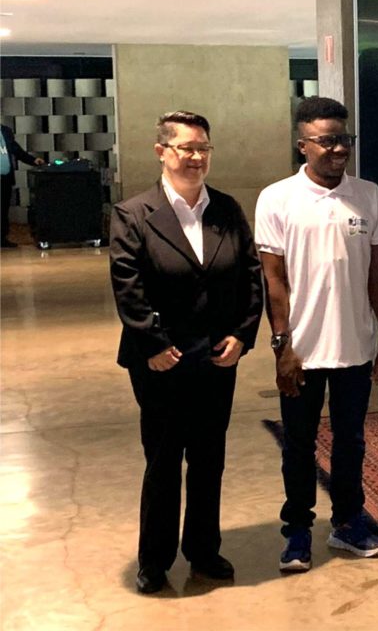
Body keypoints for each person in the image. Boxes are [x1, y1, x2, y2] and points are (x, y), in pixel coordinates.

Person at [109, 111, 263, 594]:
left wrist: (242, 335)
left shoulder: (227, 209)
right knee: (162, 459)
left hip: (217, 355)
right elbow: (127, 286)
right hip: (160, 360)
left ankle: (203, 548)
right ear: (162, 152)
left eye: (204, 149)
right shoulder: (133, 214)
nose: (196, 158)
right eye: (186, 148)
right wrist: (152, 344)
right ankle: (154, 559)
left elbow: (251, 275)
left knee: (208, 456)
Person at [255, 96, 378, 572]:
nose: (339, 149)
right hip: (302, 350)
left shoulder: (368, 195)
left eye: (344, 139)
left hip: (355, 344)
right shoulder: (277, 199)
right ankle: (297, 532)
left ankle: (348, 522)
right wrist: (283, 346)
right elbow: (274, 281)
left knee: (351, 440)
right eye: (327, 140)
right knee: (298, 446)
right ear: (303, 146)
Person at [1, 123, 46, 248]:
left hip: (5, 177)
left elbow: (16, 150)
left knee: (3, 209)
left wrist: (32, 160)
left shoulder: (5, 131)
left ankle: (2, 238)